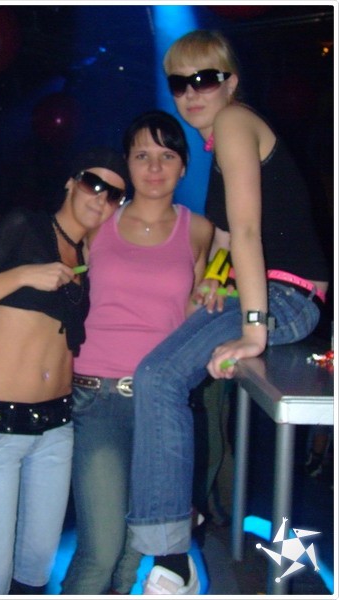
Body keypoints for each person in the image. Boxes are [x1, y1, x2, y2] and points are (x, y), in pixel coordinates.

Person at [126, 30, 330, 594]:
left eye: (205, 79)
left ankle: (174, 559)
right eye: (179, 83)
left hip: (285, 299)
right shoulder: (222, 140)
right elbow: (223, 242)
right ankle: (178, 529)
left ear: (230, 82)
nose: (191, 93)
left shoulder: (236, 121)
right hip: (270, 292)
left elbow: (246, 231)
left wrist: (254, 331)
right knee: (160, 372)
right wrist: (214, 282)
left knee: (158, 376)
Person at [0, 148, 128, 595]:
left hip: (56, 427)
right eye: (94, 184)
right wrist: (24, 274)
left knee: (36, 566)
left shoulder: (91, 253)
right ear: (71, 181)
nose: (100, 198)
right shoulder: (25, 226)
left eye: (114, 195)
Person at [61, 110, 213, 595]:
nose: (154, 167)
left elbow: (194, 309)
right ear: (127, 162)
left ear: (183, 166)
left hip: (161, 406)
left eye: (166, 156)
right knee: (100, 551)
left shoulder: (199, 230)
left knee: (134, 554)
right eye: (142, 155)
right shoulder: (99, 222)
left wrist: (218, 293)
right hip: (98, 397)